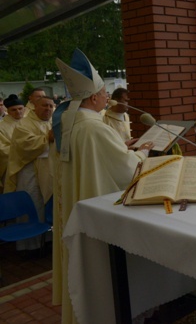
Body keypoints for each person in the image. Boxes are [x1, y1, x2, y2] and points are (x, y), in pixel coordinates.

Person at [52, 49, 154, 324]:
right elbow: (126, 168)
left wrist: (120, 146)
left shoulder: (71, 121)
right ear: (94, 97)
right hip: (96, 206)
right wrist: (141, 152)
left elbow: (94, 156)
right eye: (104, 93)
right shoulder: (94, 127)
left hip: (79, 200)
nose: (107, 97)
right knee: (101, 269)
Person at [3, 97, 55, 251]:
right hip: (29, 170)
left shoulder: (52, 122)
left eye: (51, 106)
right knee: (34, 203)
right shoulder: (23, 125)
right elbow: (25, 145)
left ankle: (47, 240)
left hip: (48, 169)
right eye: (44, 106)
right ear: (34, 107)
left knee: (48, 203)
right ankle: (30, 245)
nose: (48, 109)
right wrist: (47, 138)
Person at [0, 95, 25, 192]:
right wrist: (23, 150)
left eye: (20, 109)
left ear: (24, 109)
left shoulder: (30, 123)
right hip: (11, 166)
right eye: (14, 110)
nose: (18, 112)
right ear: (8, 111)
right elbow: (2, 149)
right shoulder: (1, 127)